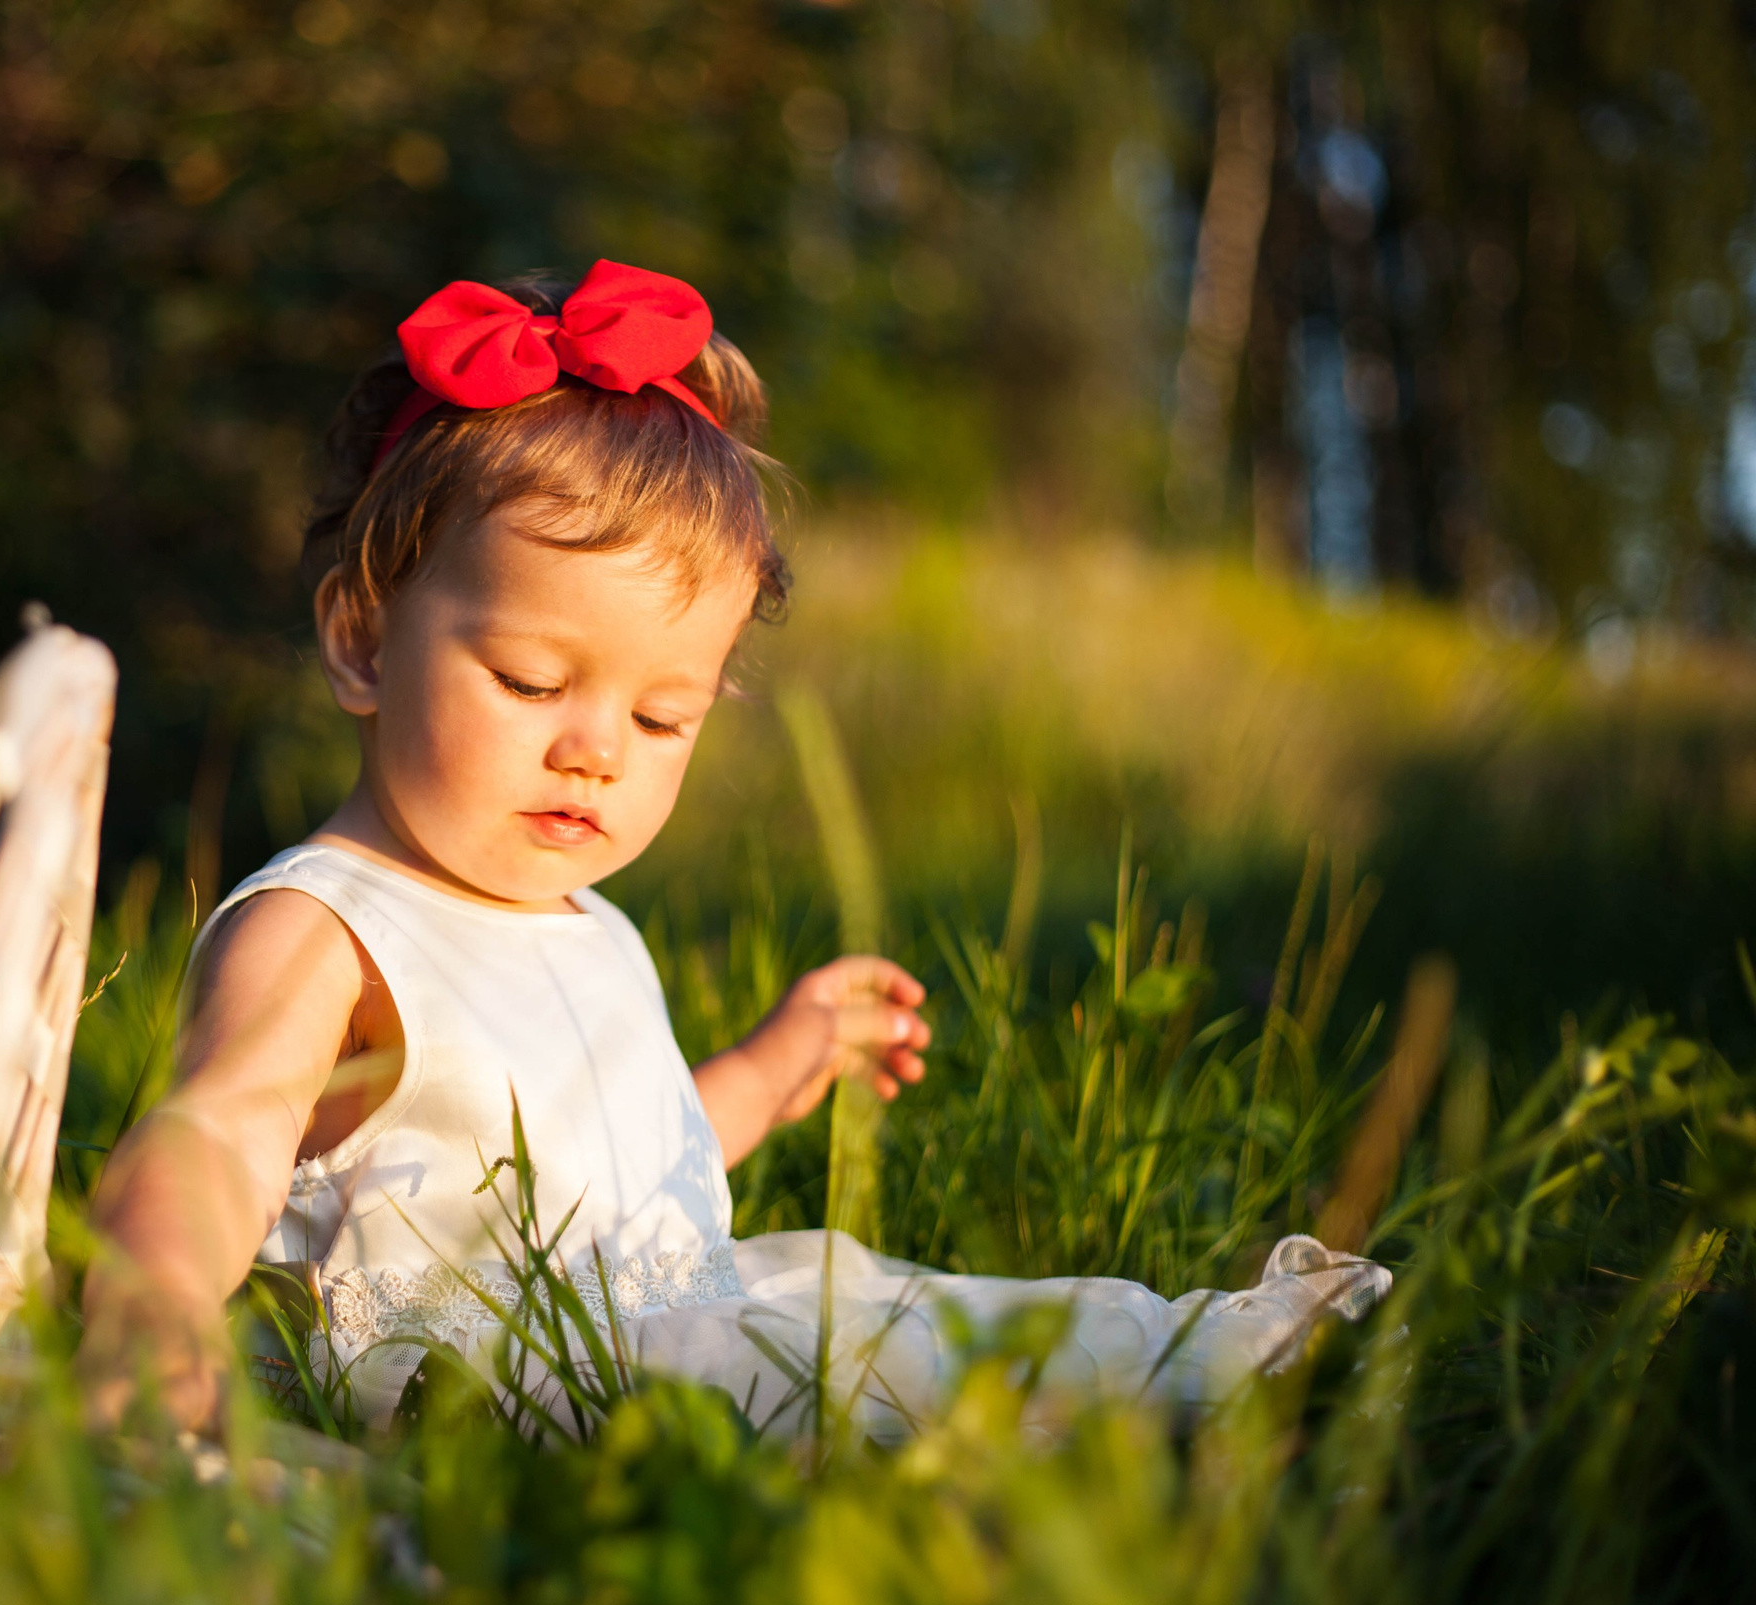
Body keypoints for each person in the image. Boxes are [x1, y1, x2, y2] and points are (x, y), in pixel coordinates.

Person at [79, 260, 1389, 1437]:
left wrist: (770, 1067)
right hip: (477, 1388)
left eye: (662, 716)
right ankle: (1146, 1408)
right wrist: (157, 1324)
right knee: (818, 1358)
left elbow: (619, 1188)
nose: (596, 749)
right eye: (532, 682)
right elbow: (217, 1134)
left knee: (889, 1297)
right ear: (365, 641)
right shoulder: (327, 928)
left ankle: (1198, 1356)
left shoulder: (588, 925)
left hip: (651, 1325)